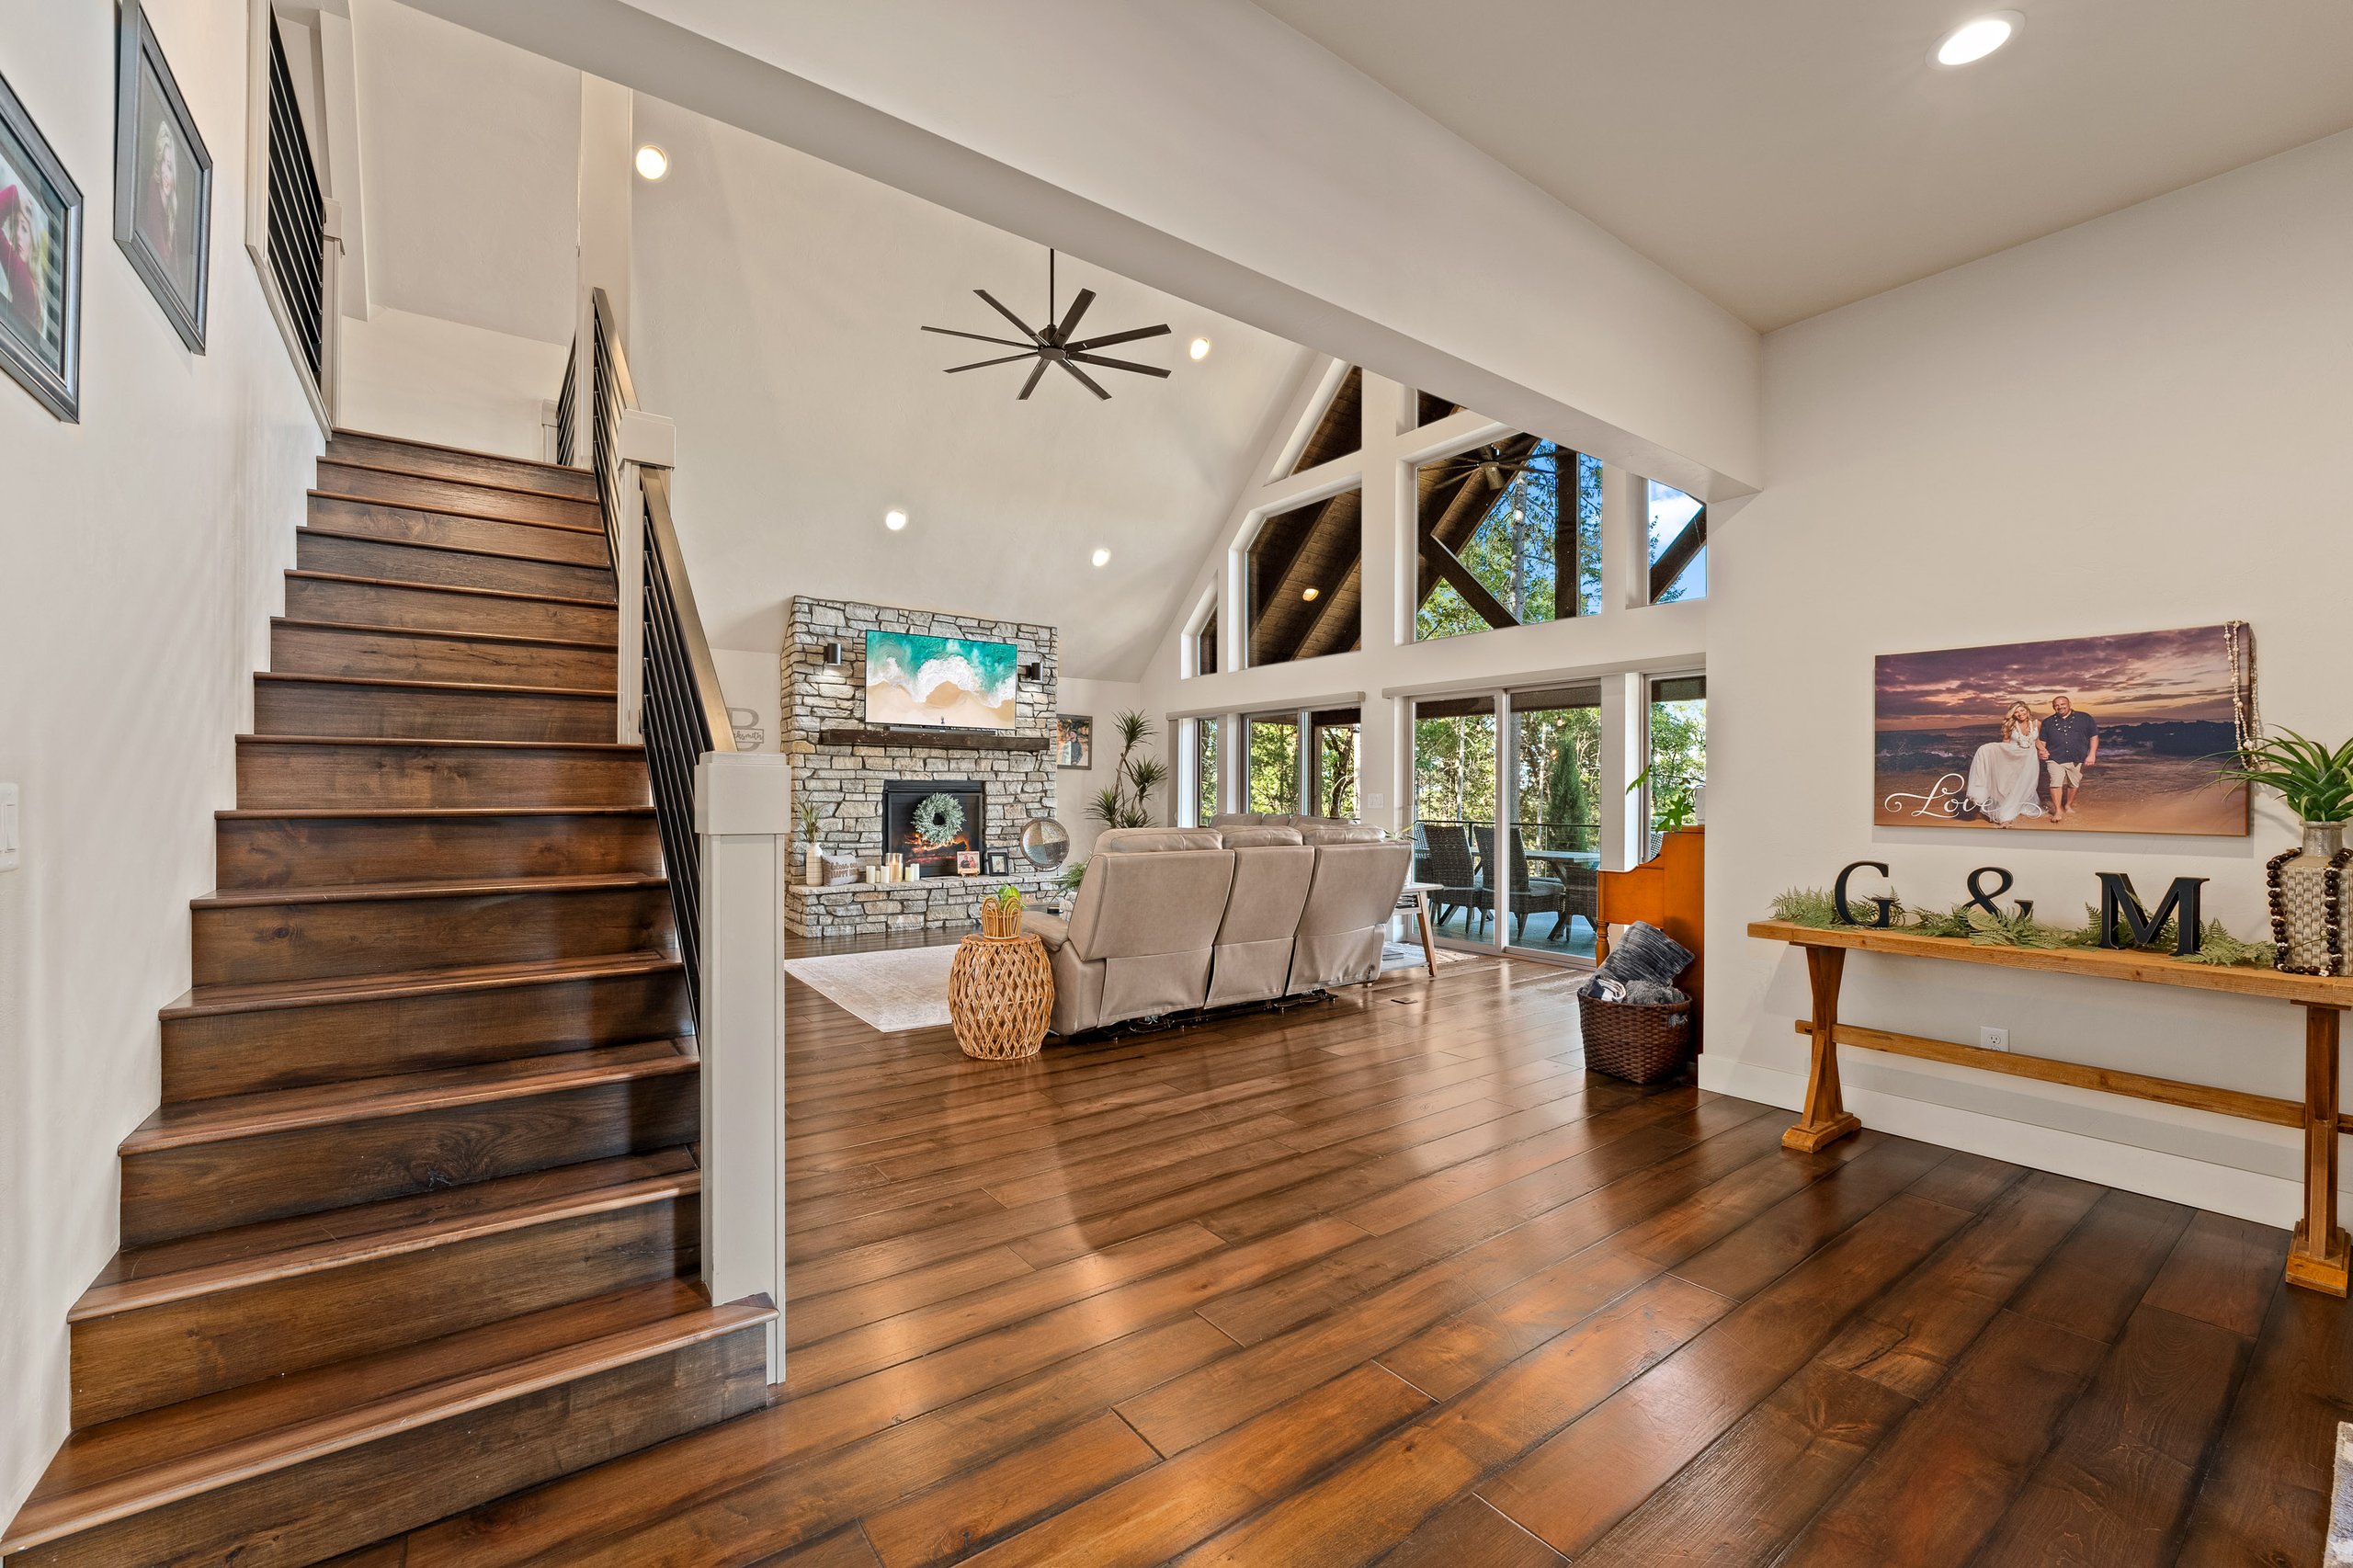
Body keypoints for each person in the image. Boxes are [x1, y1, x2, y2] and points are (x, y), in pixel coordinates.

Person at [1965, 701, 2046, 827]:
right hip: (2013, 757)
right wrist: (1994, 753)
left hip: (2030, 759)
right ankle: (2006, 816)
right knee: (2010, 784)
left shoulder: (2037, 724)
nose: (2020, 714)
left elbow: (2037, 741)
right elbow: (2005, 744)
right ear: (2013, 714)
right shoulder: (2011, 725)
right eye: (2017, 712)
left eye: (2022, 711)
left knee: (2026, 784)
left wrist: (2043, 750)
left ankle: (2018, 806)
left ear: (2027, 711)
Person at [2039, 694, 2099, 824]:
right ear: (2053, 707)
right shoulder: (2048, 722)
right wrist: (2041, 752)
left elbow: (2093, 736)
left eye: (2062, 704)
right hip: (2054, 757)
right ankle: (2058, 810)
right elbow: (2042, 741)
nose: (2059, 706)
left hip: (2077, 756)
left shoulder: (2085, 718)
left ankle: (2068, 805)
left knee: (2074, 783)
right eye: (2056, 705)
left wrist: (2092, 754)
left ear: (2069, 704)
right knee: (2055, 782)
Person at [0, 184, 43, 349]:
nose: (17, 234)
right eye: (15, 225)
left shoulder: (25, 283)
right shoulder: (33, 288)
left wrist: (16, 195)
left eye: (24, 229)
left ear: (34, 242)